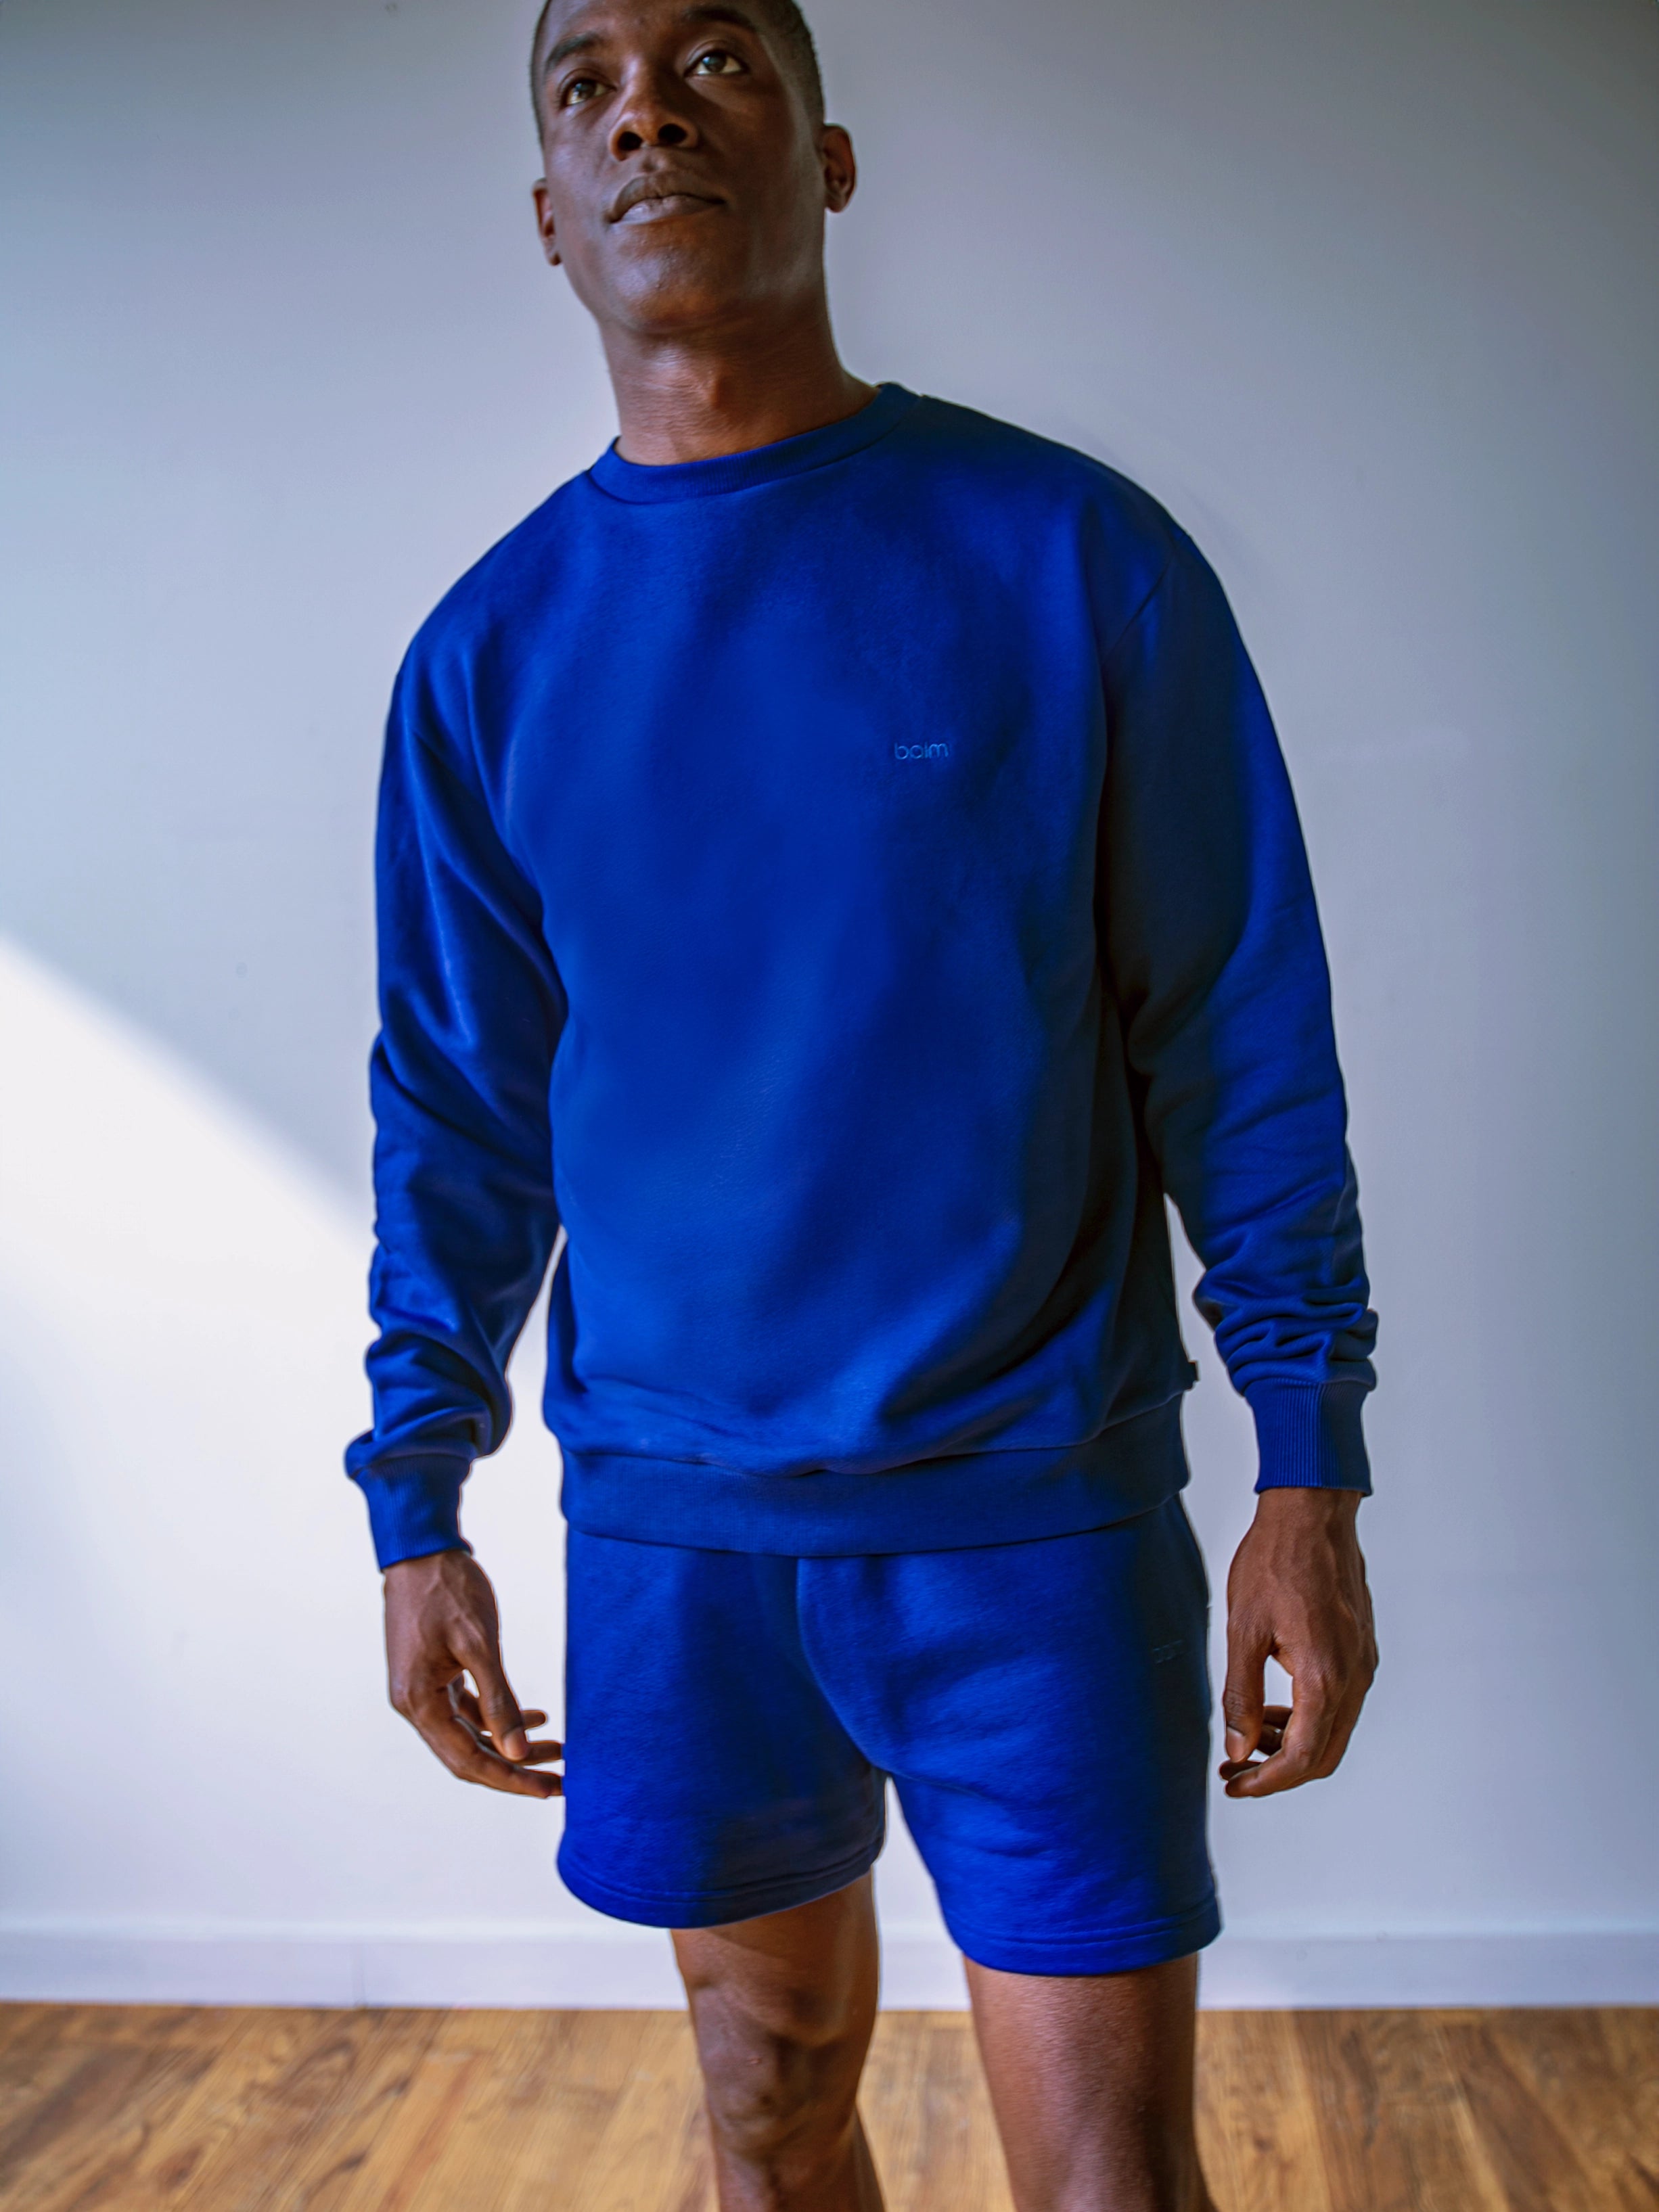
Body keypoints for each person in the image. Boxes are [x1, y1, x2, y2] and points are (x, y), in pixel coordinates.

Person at [346, 1, 1380, 2205]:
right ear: (551, 212)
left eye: (717, 56)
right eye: (589, 78)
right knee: (762, 2103)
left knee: (1108, 2181)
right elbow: (457, 1116)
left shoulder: (1072, 561)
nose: (648, 104)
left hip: (1038, 1516)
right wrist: (415, 1496)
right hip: (678, 1536)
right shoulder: (488, 654)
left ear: (824, 158)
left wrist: (1309, 1469)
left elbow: (1240, 1039)